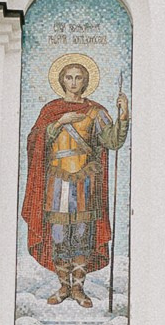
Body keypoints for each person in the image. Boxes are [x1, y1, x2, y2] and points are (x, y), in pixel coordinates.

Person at [21, 53, 129, 310]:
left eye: (78, 78)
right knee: (58, 236)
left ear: (85, 81)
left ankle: (78, 288)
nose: (73, 82)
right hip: (56, 181)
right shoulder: (51, 111)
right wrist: (61, 121)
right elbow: (35, 140)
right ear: (62, 80)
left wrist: (124, 115)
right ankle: (63, 287)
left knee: (81, 236)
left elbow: (113, 141)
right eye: (69, 77)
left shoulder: (96, 112)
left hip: (85, 182)